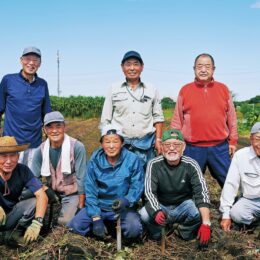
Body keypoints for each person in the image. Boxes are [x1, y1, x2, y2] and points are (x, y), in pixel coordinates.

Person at [170, 53, 238, 188]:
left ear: (213, 69)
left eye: (207, 66)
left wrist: (233, 141)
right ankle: (190, 207)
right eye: (199, 66)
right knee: (188, 182)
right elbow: (177, 120)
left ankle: (232, 206)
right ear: (194, 68)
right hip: (192, 148)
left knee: (228, 180)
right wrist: (175, 143)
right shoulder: (185, 90)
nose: (203, 70)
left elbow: (232, 117)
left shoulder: (223, 89)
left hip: (219, 147)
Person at [67, 124, 144, 242]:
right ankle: (100, 228)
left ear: (122, 143)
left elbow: (137, 185)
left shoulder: (132, 159)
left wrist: (127, 200)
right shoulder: (94, 160)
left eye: (115, 141)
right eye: (107, 142)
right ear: (102, 144)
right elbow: (90, 189)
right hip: (100, 206)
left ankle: (117, 231)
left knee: (134, 229)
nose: (111, 146)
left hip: (123, 207)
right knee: (75, 226)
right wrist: (96, 217)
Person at [139, 129, 211, 248]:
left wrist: (206, 223)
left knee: (198, 213)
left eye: (177, 144)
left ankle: (183, 231)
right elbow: (149, 192)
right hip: (161, 205)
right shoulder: (154, 164)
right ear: (161, 147)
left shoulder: (191, 164)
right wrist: (156, 211)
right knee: (144, 214)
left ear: (183, 147)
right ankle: (158, 234)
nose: (172, 148)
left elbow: (201, 192)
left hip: (183, 205)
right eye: (167, 144)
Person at [100, 51, 164, 168]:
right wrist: (108, 143)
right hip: (121, 145)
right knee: (122, 180)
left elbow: (158, 117)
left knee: (146, 179)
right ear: (122, 67)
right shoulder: (113, 89)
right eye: (128, 64)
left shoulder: (151, 89)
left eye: (136, 64)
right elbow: (106, 119)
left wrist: (158, 140)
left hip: (146, 145)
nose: (132, 68)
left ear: (142, 67)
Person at [31, 111, 86, 225]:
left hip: (71, 192)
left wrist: (81, 206)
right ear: (45, 130)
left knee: (65, 222)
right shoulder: (40, 150)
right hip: (52, 190)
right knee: (31, 206)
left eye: (58, 126)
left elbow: (82, 178)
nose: (54, 130)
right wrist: (45, 188)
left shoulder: (76, 147)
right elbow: (32, 178)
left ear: (64, 127)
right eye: (50, 127)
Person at [0, 47, 51, 169]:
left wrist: (49, 138)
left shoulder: (42, 84)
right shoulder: (8, 80)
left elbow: (46, 114)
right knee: (10, 178)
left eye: (35, 60)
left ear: (40, 63)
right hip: (11, 143)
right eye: (28, 59)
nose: (31, 63)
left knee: (32, 178)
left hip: (34, 143)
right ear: (21, 60)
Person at [0, 136, 48, 245]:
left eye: (12, 155)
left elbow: (42, 195)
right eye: (3, 156)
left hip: (11, 215)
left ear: (18, 156)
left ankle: (15, 233)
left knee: (35, 202)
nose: (8, 161)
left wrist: (37, 222)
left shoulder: (23, 170)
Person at [220, 122, 260, 232]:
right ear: (251, 139)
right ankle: (254, 223)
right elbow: (231, 184)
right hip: (250, 200)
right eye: (258, 139)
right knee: (236, 214)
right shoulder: (241, 156)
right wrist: (226, 215)